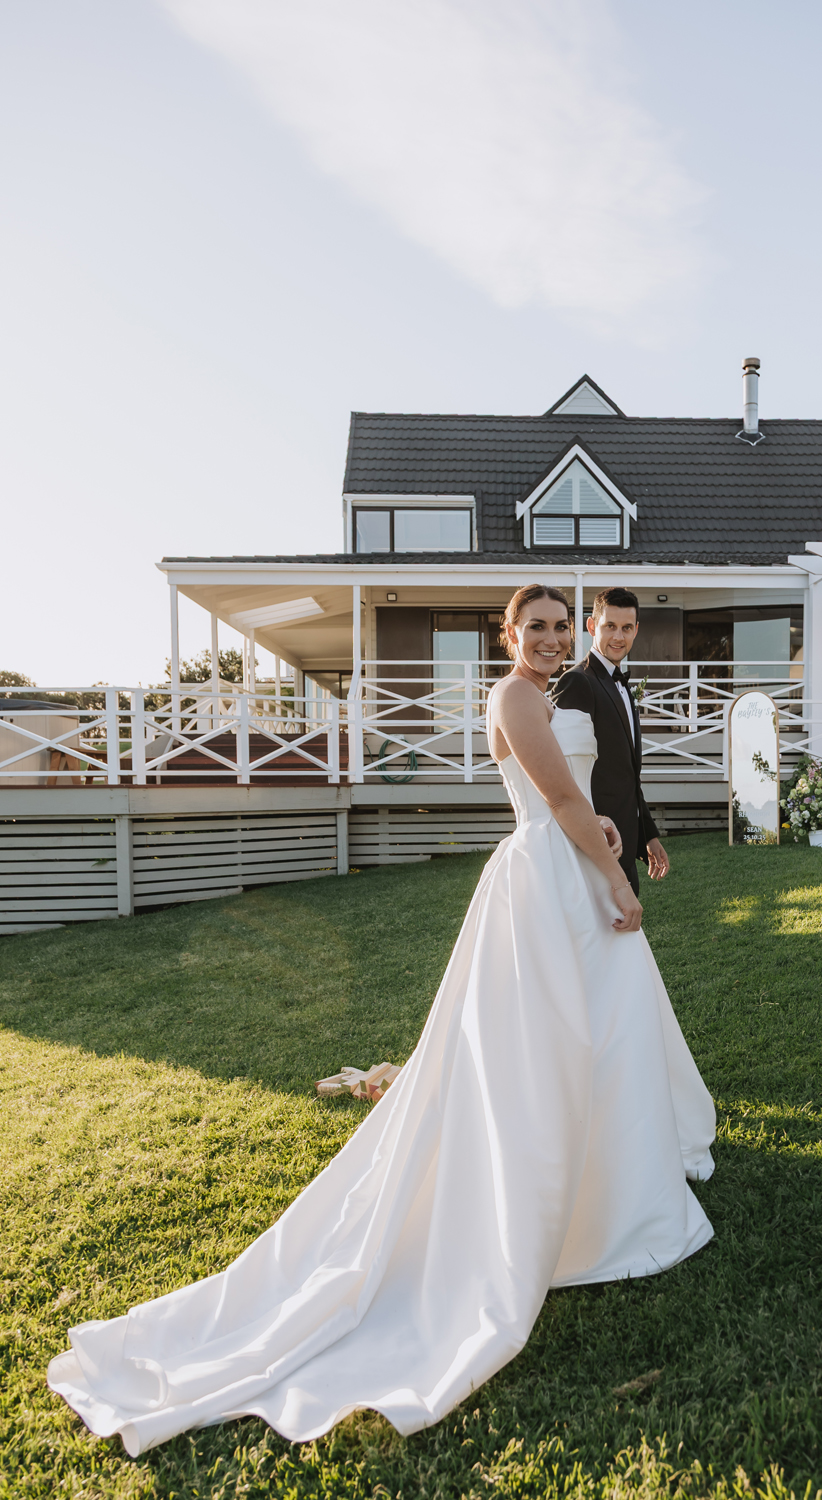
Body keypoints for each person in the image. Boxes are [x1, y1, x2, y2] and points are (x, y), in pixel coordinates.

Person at [48, 584, 715, 1458]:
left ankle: (612, 1189)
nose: (552, 639)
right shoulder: (516, 695)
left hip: (572, 869)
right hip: (553, 881)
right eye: (537, 627)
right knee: (551, 1046)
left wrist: (606, 837)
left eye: (562, 626)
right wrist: (616, 879)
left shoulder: (547, 697)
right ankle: (580, 1202)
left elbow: (578, 795)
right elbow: (555, 803)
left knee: (603, 1036)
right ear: (507, 634)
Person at [550, 586, 668, 897]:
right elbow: (562, 771)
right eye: (610, 626)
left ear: (636, 630)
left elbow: (626, 773)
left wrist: (648, 834)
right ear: (591, 626)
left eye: (627, 628)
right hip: (596, 847)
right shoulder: (578, 682)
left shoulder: (622, 686)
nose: (619, 636)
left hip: (626, 844)